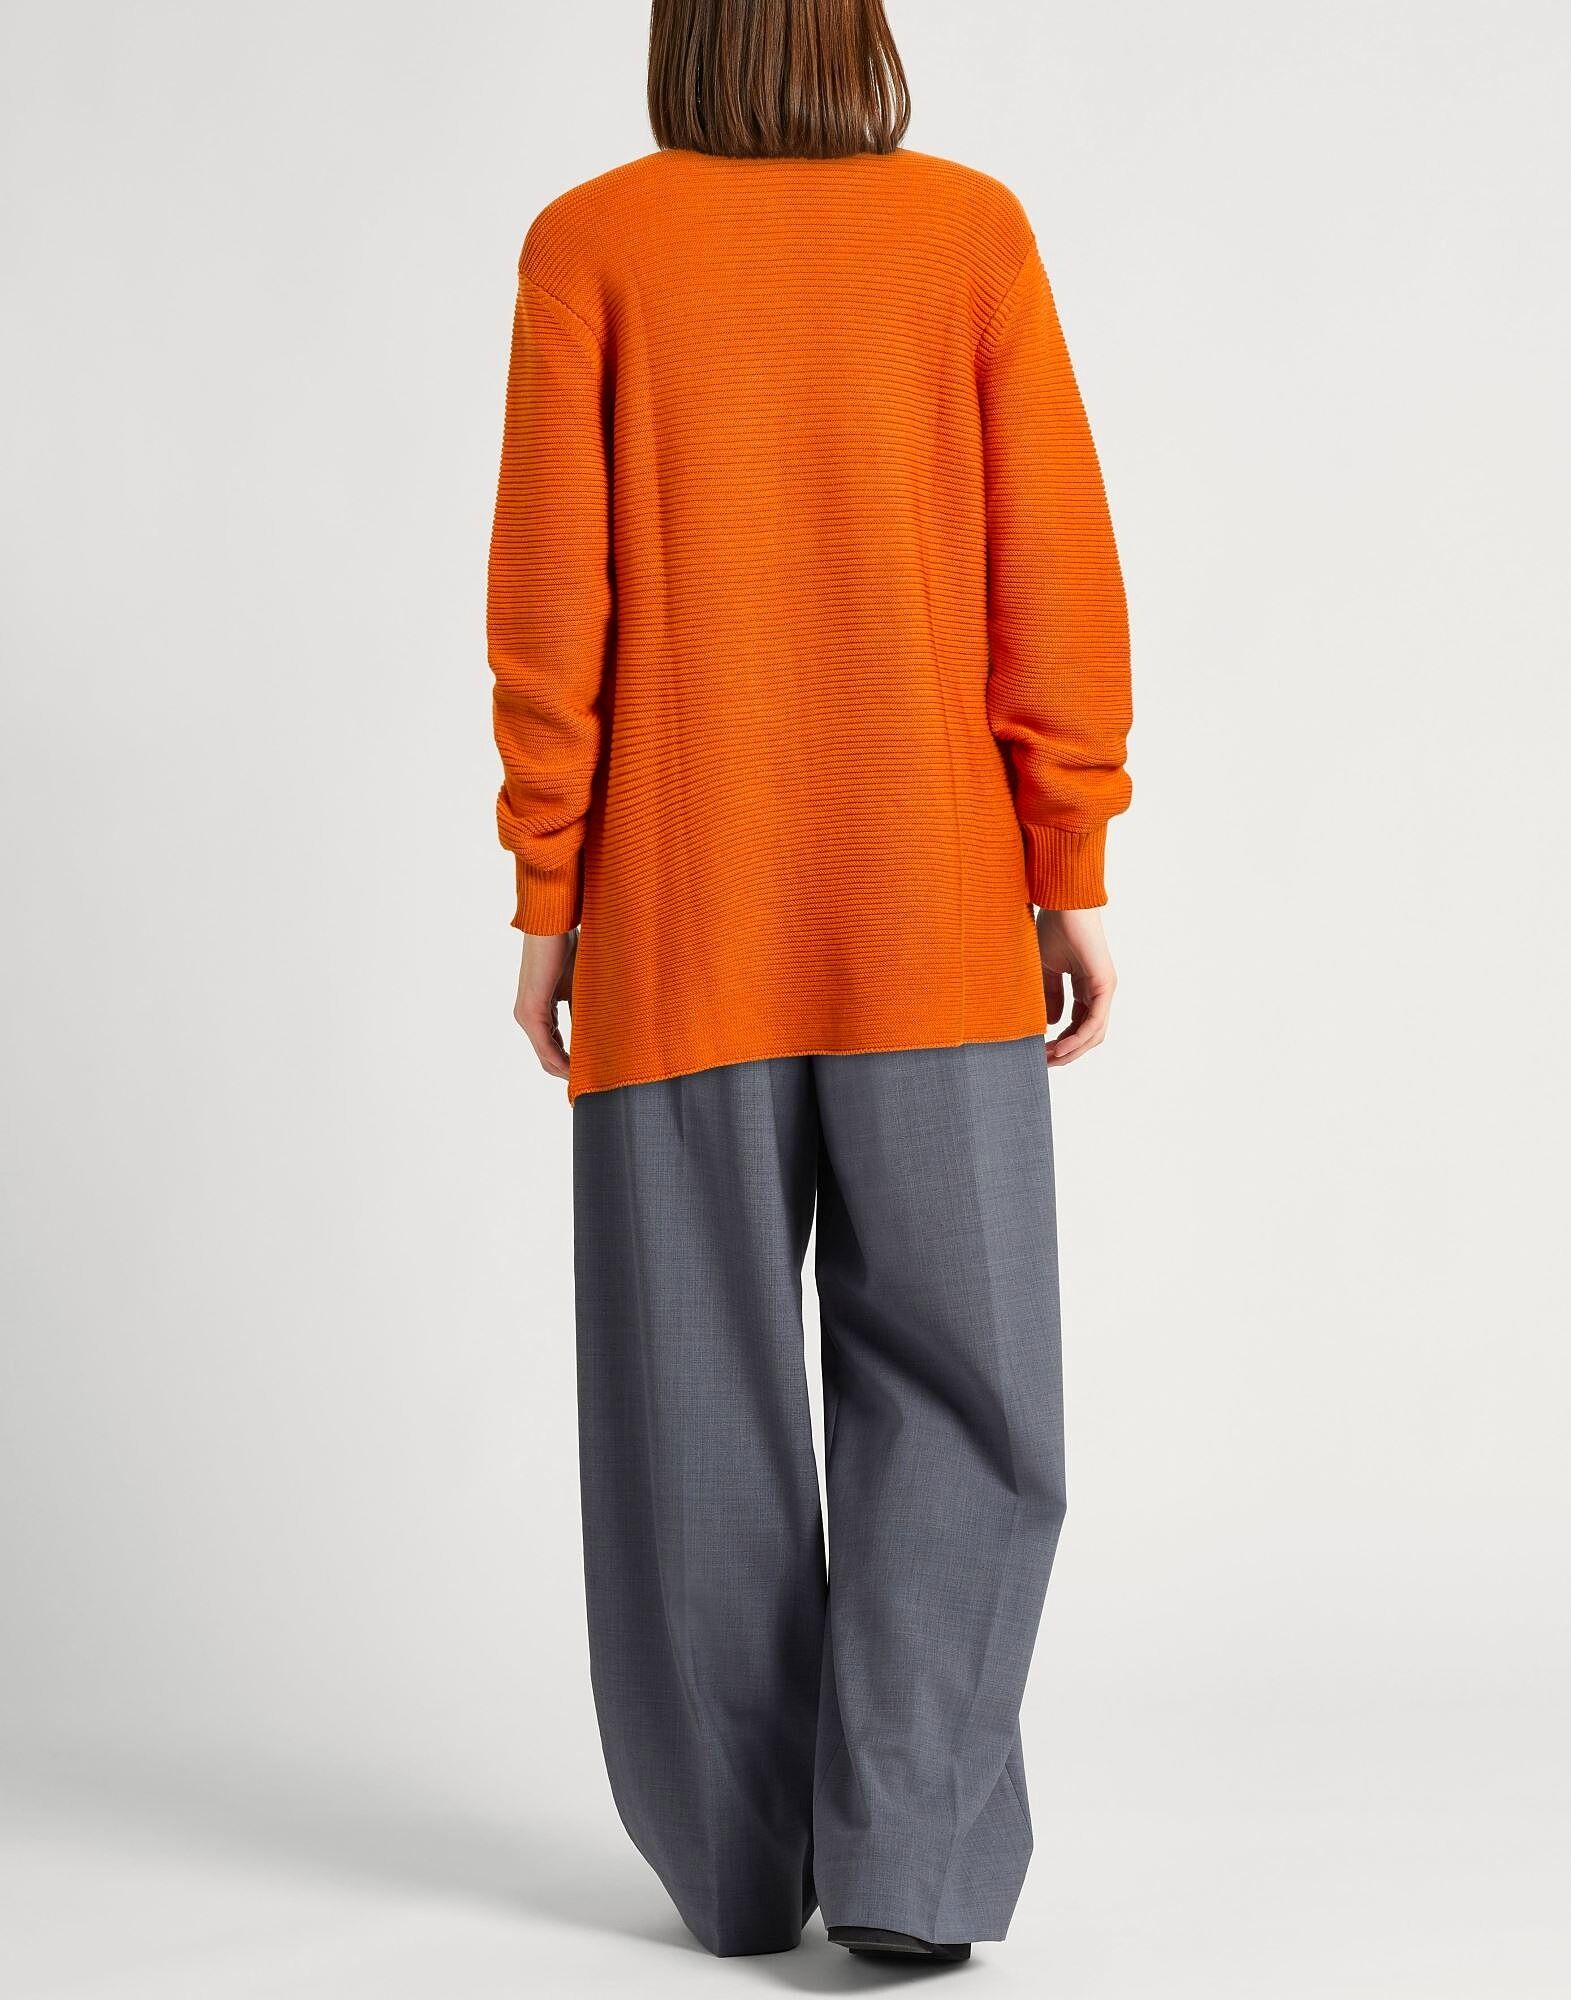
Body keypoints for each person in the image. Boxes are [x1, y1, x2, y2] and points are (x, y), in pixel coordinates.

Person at [486, 0, 1131, 1964]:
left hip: (678, 919)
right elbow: (1055, 579)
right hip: (932, 917)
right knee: (970, 1388)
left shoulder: (592, 247)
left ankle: (739, 1867)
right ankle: (910, 1866)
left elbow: (549, 608)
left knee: (691, 1408)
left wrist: (548, 899)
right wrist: (1070, 861)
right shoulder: (967, 236)